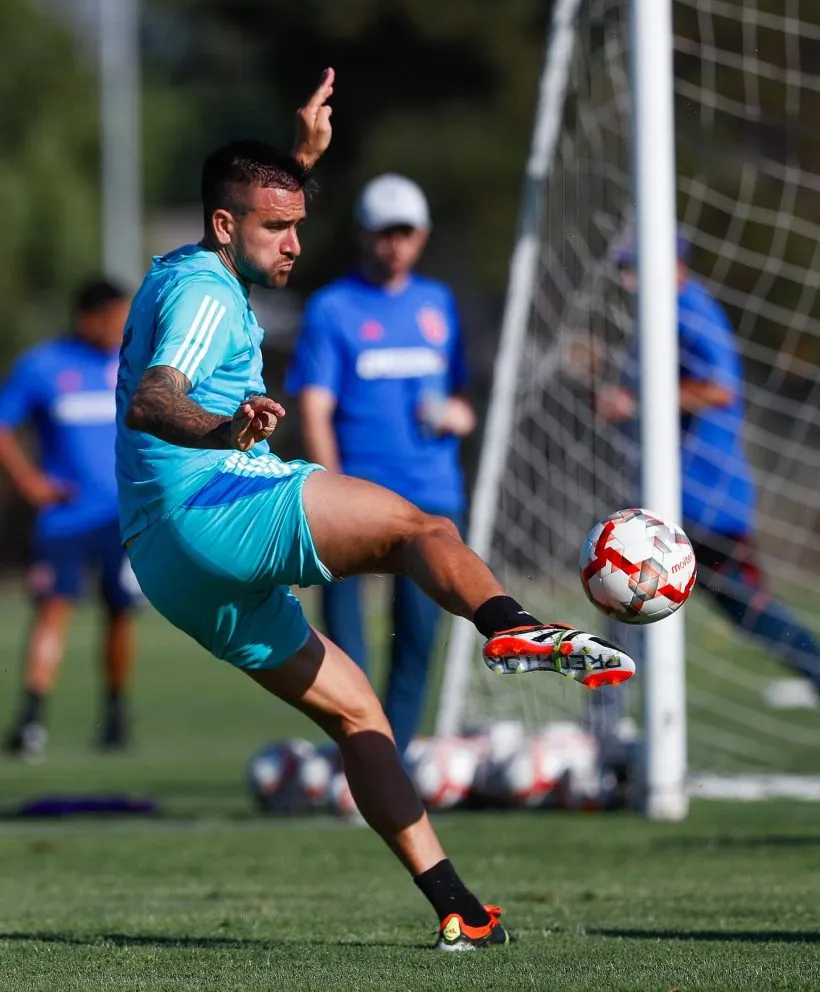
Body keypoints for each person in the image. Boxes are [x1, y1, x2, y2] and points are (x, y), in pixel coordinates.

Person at [115, 69, 635, 950]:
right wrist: (223, 428)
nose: (293, 244)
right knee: (421, 528)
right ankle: (510, 626)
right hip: (212, 500)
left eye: (298, 225)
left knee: (360, 714)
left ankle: (459, 909)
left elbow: (249, 217)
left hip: (168, 563)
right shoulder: (203, 291)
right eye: (276, 228)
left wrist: (301, 158)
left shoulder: (186, 267)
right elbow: (154, 398)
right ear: (224, 226)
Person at [285, 174, 475, 758]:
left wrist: (457, 415)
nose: (395, 244)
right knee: (344, 640)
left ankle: (397, 757)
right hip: (358, 494)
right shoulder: (333, 307)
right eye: (384, 232)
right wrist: (332, 489)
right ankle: (357, 751)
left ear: (422, 236)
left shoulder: (437, 303)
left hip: (431, 494)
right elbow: (314, 406)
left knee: (418, 634)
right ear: (363, 234)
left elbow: (460, 396)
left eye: (406, 232)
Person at [598, 235, 820, 691]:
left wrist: (636, 400)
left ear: (673, 265)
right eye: (624, 269)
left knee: (748, 611)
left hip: (705, 500)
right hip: (674, 498)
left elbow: (720, 388)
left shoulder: (690, 312)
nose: (627, 280)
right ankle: (606, 718)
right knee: (626, 599)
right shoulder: (661, 314)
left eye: (635, 268)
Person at [0, 278, 139, 760]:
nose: (122, 327)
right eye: (115, 318)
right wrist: (30, 483)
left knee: (120, 614)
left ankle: (116, 714)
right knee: (53, 610)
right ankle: (32, 719)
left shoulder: (133, 364)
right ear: (89, 318)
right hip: (64, 519)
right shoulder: (42, 366)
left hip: (122, 517)